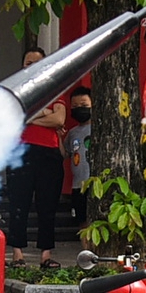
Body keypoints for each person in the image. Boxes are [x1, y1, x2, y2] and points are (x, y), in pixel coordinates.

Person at [5, 47, 66, 267]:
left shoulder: (56, 87)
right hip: (21, 151)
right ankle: (18, 253)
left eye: (35, 62)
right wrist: (45, 114)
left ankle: (46, 255)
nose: (30, 66)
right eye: (27, 62)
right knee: (18, 203)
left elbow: (59, 120)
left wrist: (30, 115)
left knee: (47, 205)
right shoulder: (16, 89)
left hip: (48, 153)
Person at [63, 87, 93, 229]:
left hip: (96, 184)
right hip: (78, 185)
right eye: (75, 106)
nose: (80, 109)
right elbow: (65, 154)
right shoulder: (72, 133)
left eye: (84, 106)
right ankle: (86, 249)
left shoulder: (101, 128)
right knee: (82, 222)